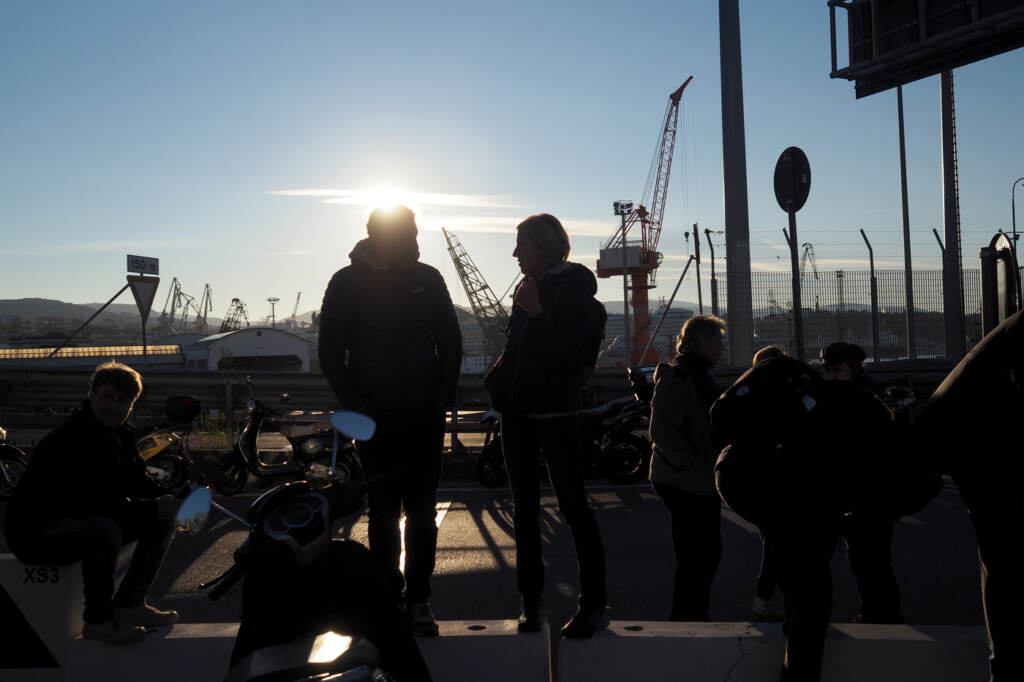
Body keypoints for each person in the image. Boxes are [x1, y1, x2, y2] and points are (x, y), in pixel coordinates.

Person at [318, 205, 462, 637]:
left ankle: (419, 600)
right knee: (382, 512)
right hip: (374, 416)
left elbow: (450, 342)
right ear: (382, 237)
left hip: (423, 414)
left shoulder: (428, 278)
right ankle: (388, 597)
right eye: (407, 233)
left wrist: (440, 402)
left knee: (420, 512)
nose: (415, 241)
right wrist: (358, 407)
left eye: (415, 233)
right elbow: (330, 354)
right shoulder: (346, 283)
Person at [483, 213, 609, 638]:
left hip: (555, 416)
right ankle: (531, 604)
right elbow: (519, 350)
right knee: (524, 513)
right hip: (517, 415)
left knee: (574, 509)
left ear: (545, 246)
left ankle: (593, 605)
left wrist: (535, 315)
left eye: (522, 244)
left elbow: (568, 359)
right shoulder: (530, 288)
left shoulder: (574, 293)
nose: (515, 252)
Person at [4, 362, 181, 645]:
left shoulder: (121, 435)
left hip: (78, 519)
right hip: (35, 533)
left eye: (122, 401)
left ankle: (129, 603)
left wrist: (173, 497)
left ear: (131, 406)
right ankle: (97, 621)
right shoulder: (71, 439)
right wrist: (152, 506)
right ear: (91, 395)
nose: (113, 406)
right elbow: (91, 503)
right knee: (104, 528)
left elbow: (134, 482)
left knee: (162, 517)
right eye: (107, 397)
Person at [915, 310, 1024, 682]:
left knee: (1003, 561)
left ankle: (1006, 665)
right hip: (979, 446)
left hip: (971, 441)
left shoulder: (1012, 334)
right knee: (1006, 559)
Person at [648, 314, 726, 621]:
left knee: (703, 554)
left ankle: (692, 613)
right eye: (719, 341)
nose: (722, 347)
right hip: (684, 480)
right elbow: (661, 430)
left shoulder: (699, 373)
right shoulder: (679, 376)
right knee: (698, 555)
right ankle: (687, 617)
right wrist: (691, 463)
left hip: (695, 478)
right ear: (704, 343)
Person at [820, 342, 903, 624]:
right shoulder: (869, 397)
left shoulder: (861, 401)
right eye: (828, 370)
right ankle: (880, 615)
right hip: (865, 495)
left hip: (864, 495)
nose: (831, 376)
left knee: (869, 562)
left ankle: (880, 615)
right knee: (868, 562)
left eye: (837, 370)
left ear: (853, 370)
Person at [749, 345, 787, 621]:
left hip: (763, 483)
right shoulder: (794, 392)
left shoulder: (748, 395)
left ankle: (761, 603)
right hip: (788, 483)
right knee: (786, 550)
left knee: (772, 548)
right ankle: (785, 605)